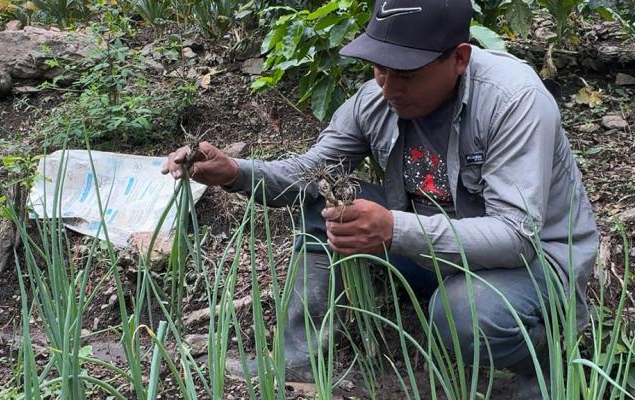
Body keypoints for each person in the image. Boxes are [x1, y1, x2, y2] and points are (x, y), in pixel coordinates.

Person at [162, 0, 599, 397]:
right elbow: (309, 174)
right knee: (323, 205)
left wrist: (393, 228)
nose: (389, 87)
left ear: (459, 59)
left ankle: (546, 361)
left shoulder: (512, 100)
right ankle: (301, 362)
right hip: (430, 250)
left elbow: (515, 236)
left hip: (530, 263)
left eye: (406, 74)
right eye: (379, 68)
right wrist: (234, 172)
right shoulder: (377, 99)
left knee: (463, 313)